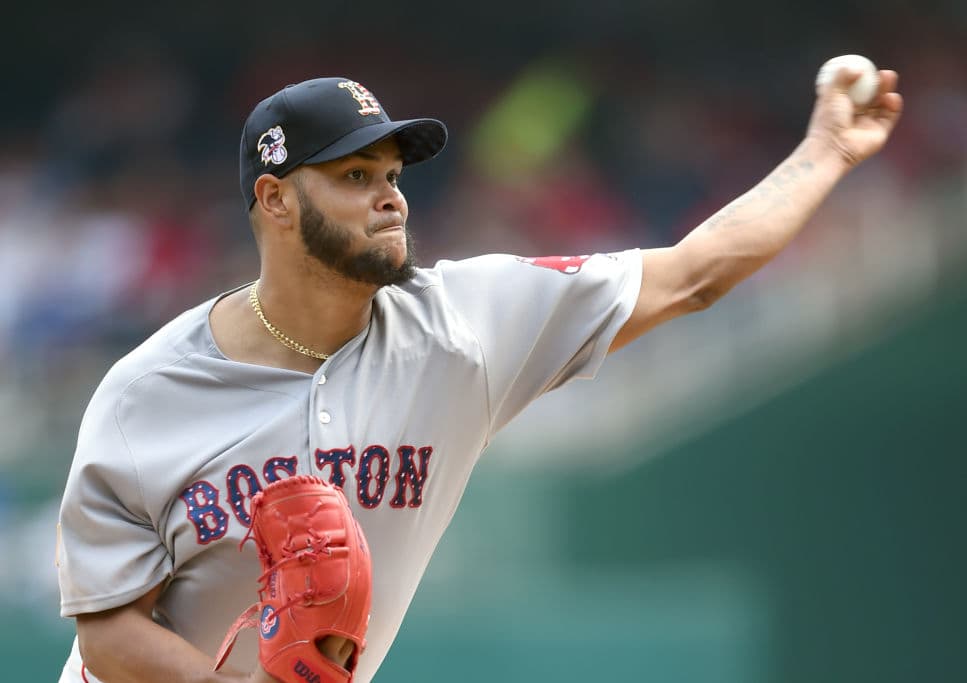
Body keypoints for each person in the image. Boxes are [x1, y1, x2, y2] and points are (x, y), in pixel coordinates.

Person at [56, 69, 902, 683]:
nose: (391, 197)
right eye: (355, 176)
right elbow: (108, 634)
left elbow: (693, 274)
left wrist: (825, 151)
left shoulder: (463, 325)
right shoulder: (148, 391)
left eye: (393, 175)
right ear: (274, 200)